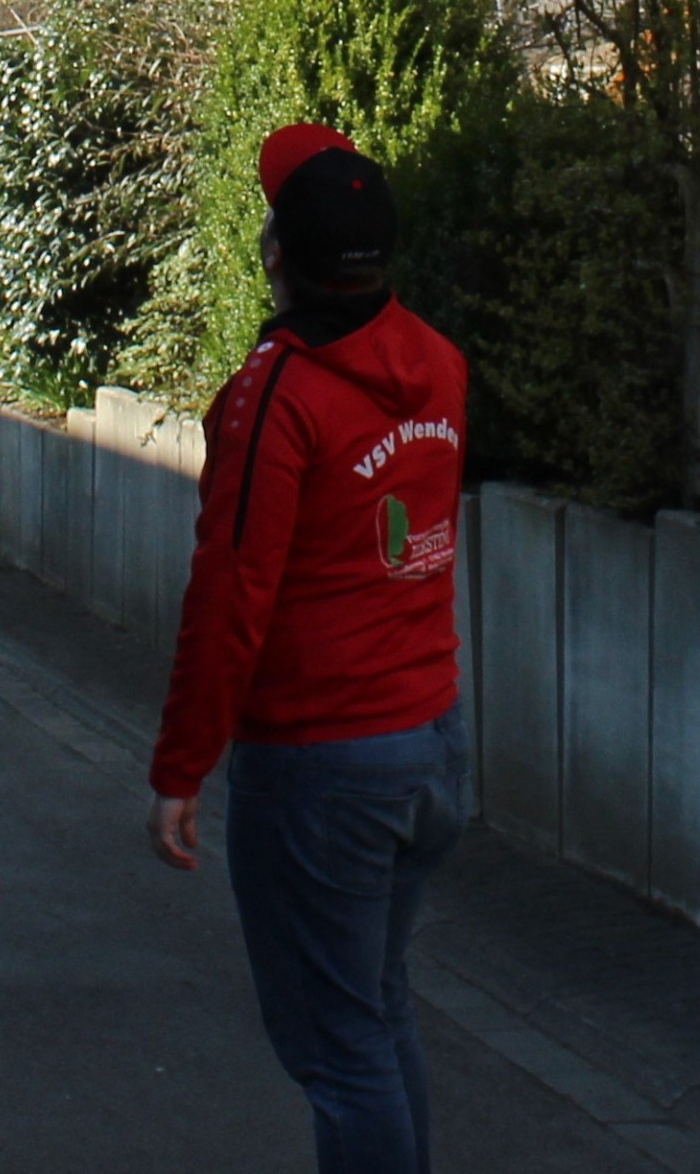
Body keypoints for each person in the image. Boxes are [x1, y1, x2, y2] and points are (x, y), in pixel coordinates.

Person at [145, 127, 472, 1174]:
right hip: (427, 739)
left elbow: (230, 592)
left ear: (277, 256)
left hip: (321, 762)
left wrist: (179, 767)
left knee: (336, 1049)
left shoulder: (279, 395)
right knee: (374, 1016)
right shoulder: (436, 363)